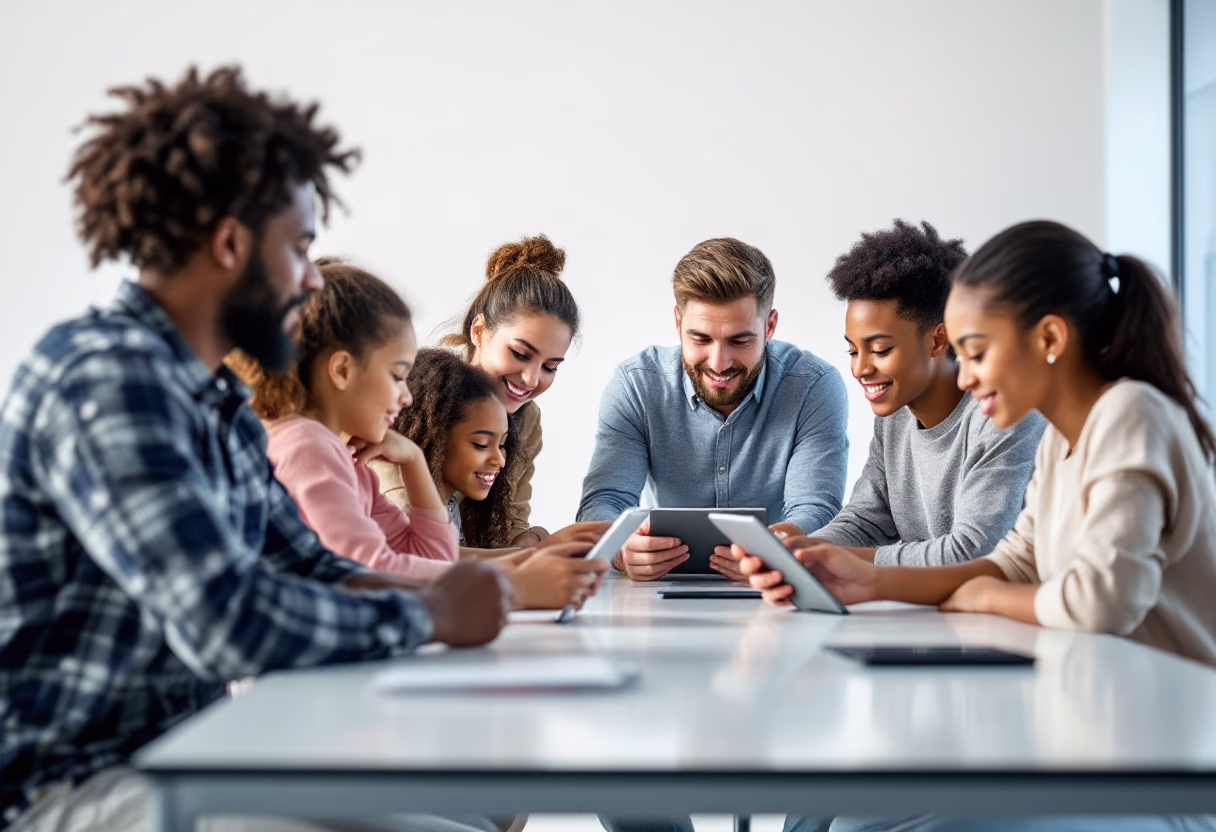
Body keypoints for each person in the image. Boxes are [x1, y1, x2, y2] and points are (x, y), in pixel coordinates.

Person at [0, 66, 511, 832]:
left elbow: (307, 566)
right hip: (75, 787)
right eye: (300, 249)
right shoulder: (107, 377)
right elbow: (225, 620)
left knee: (473, 820)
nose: (311, 281)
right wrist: (431, 616)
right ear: (231, 243)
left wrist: (452, 597)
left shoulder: (218, 403)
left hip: (190, 754)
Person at [744, 220, 1216, 832]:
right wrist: (861, 579)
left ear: (1048, 337)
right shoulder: (1064, 439)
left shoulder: (1129, 414)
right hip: (1082, 739)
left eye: (977, 351)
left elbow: (1100, 601)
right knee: (842, 815)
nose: (964, 377)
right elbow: (1015, 562)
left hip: (1163, 769)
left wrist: (979, 594)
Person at [577, 237, 848, 583]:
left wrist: (778, 549)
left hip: (773, 591)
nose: (719, 364)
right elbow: (603, 501)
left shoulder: (813, 385)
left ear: (770, 327)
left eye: (739, 341)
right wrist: (619, 549)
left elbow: (817, 509)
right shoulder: (637, 385)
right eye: (701, 339)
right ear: (678, 324)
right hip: (656, 597)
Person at [785, 220, 1044, 569]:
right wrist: (796, 553)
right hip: (936, 618)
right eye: (852, 351)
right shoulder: (895, 417)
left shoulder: (1003, 414)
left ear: (938, 340)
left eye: (879, 349)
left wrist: (838, 559)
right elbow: (864, 520)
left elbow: (974, 552)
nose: (860, 369)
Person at [227, 258, 458, 583]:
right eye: (396, 376)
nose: (407, 398)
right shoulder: (306, 445)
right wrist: (510, 585)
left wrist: (414, 460)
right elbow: (366, 573)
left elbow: (427, 560)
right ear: (342, 370)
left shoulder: (346, 459)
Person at [385, 348, 608, 609]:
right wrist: (531, 558)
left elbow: (438, 555)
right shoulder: (387, 496)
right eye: (481, 444)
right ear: (436, 438)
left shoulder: (450, 506)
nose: (500, 460)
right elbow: (421, 563)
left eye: (502, 445)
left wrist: (535, 552)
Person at [420, 234, 592, 547]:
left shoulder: (524, 420)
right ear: (479, 331)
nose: (530, 380)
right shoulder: (416, 401)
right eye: (520, 354)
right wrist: (519, 557)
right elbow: (403, 550)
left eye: (550, 367)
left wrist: (528, 543)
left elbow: (505, 528)